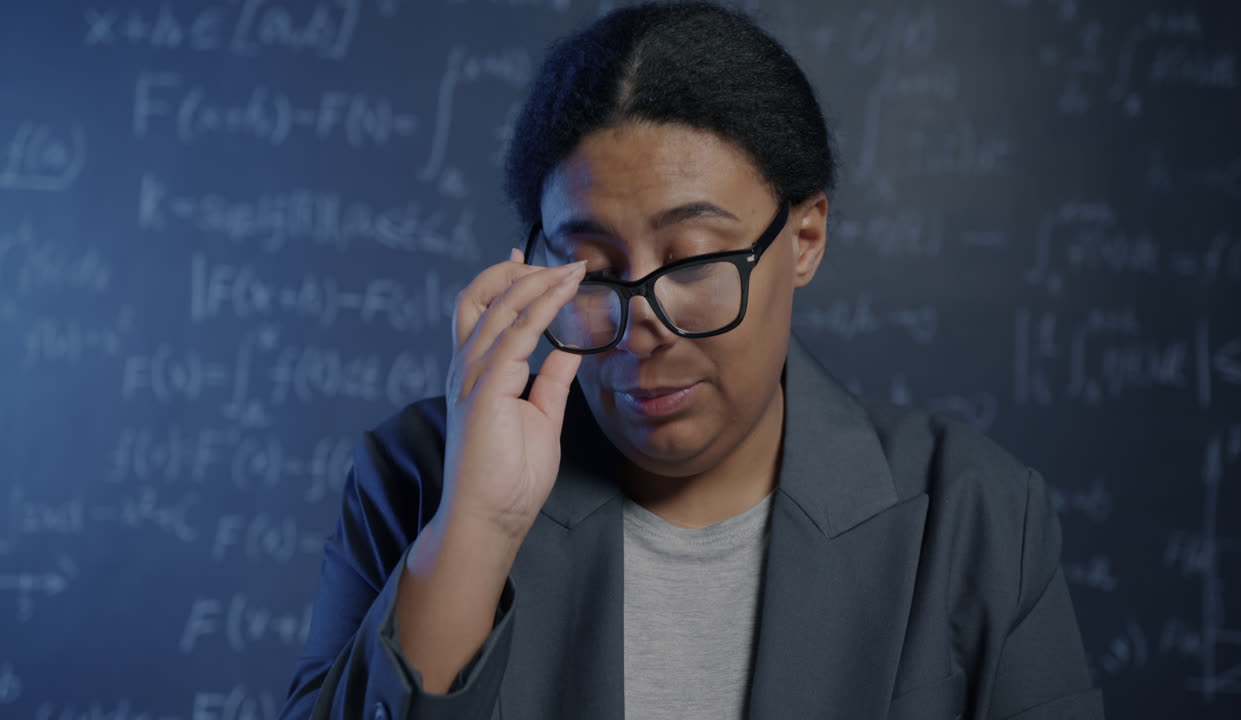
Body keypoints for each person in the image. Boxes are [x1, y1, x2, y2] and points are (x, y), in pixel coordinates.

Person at [277, 2, 1104, 718]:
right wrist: (476, 528)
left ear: (805, 238)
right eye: (592, 270)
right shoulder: (418, 477)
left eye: (698, 260)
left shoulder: (978, 517)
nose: (644, 322)